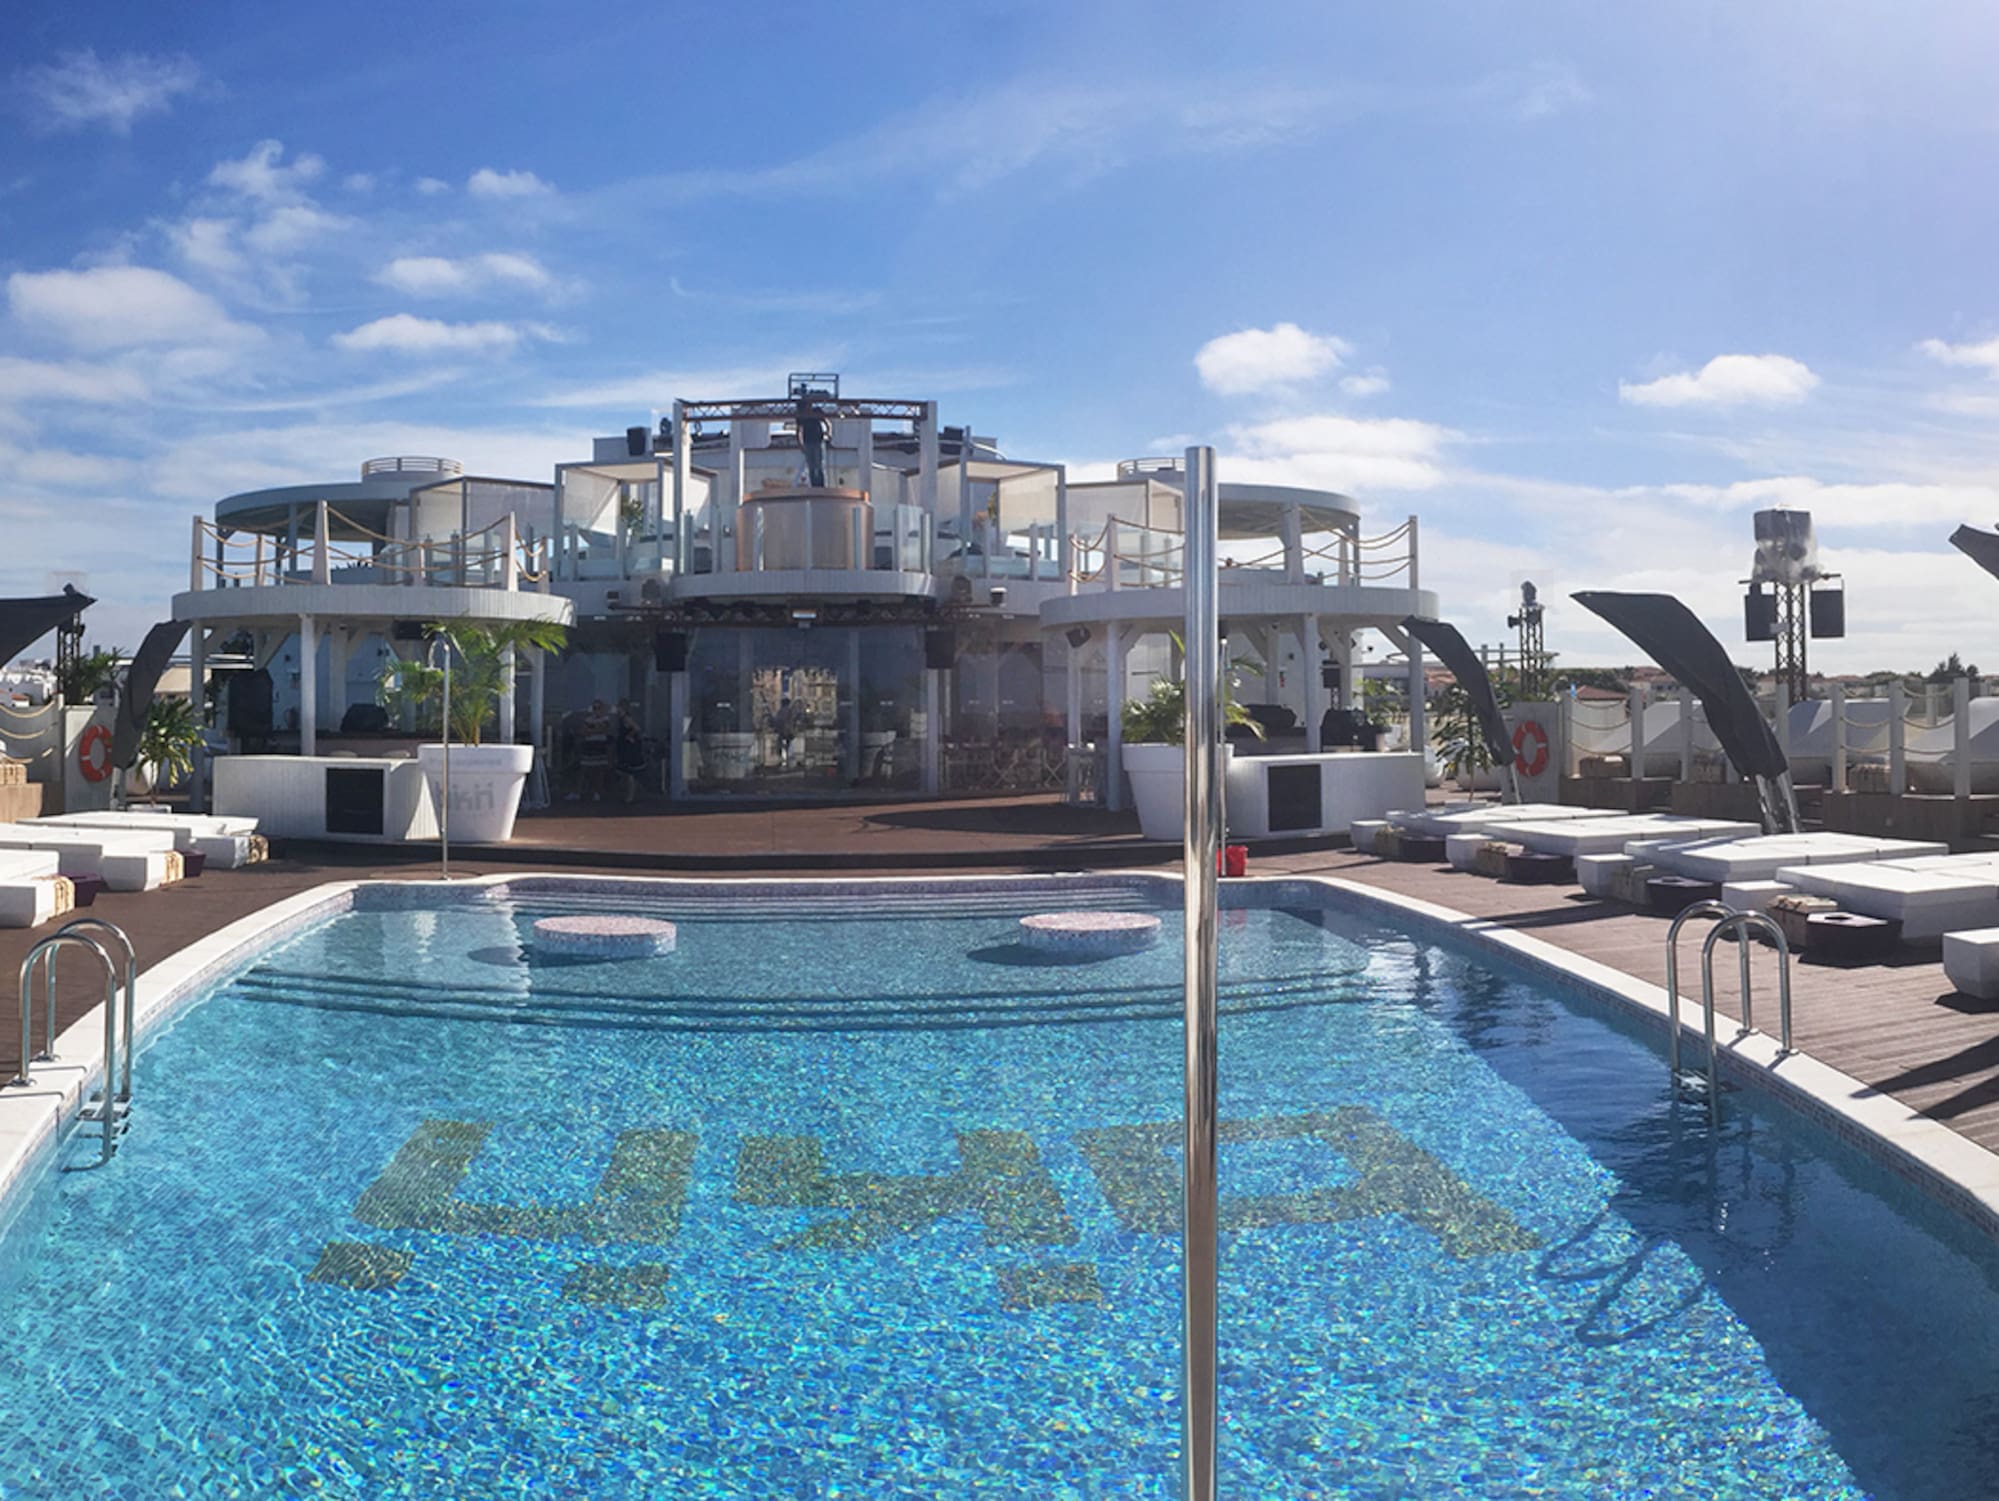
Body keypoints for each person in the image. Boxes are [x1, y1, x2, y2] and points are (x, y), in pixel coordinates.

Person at [578, 700, 612, 802]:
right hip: (589, 746)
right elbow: (582, 731)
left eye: (598, 708)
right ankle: (580, 792)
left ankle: (597, 793)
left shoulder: (606, 719)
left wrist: (591, 730)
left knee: (599, 771)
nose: (596, 710)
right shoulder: (588, 719)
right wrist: (594, 730)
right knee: (585, 770)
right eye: (594, 708)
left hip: (600, 746)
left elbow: (604, 729)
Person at [614, 701, 646, 803]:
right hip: (624, 748)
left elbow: (637, 728)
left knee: (629, 773)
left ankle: (630, 796)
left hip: (630, 750)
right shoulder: (621, 719)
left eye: (619, 707)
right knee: (623, 772)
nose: (617, 709)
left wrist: (629, 736)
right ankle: (632, 792)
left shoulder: (626, 718)